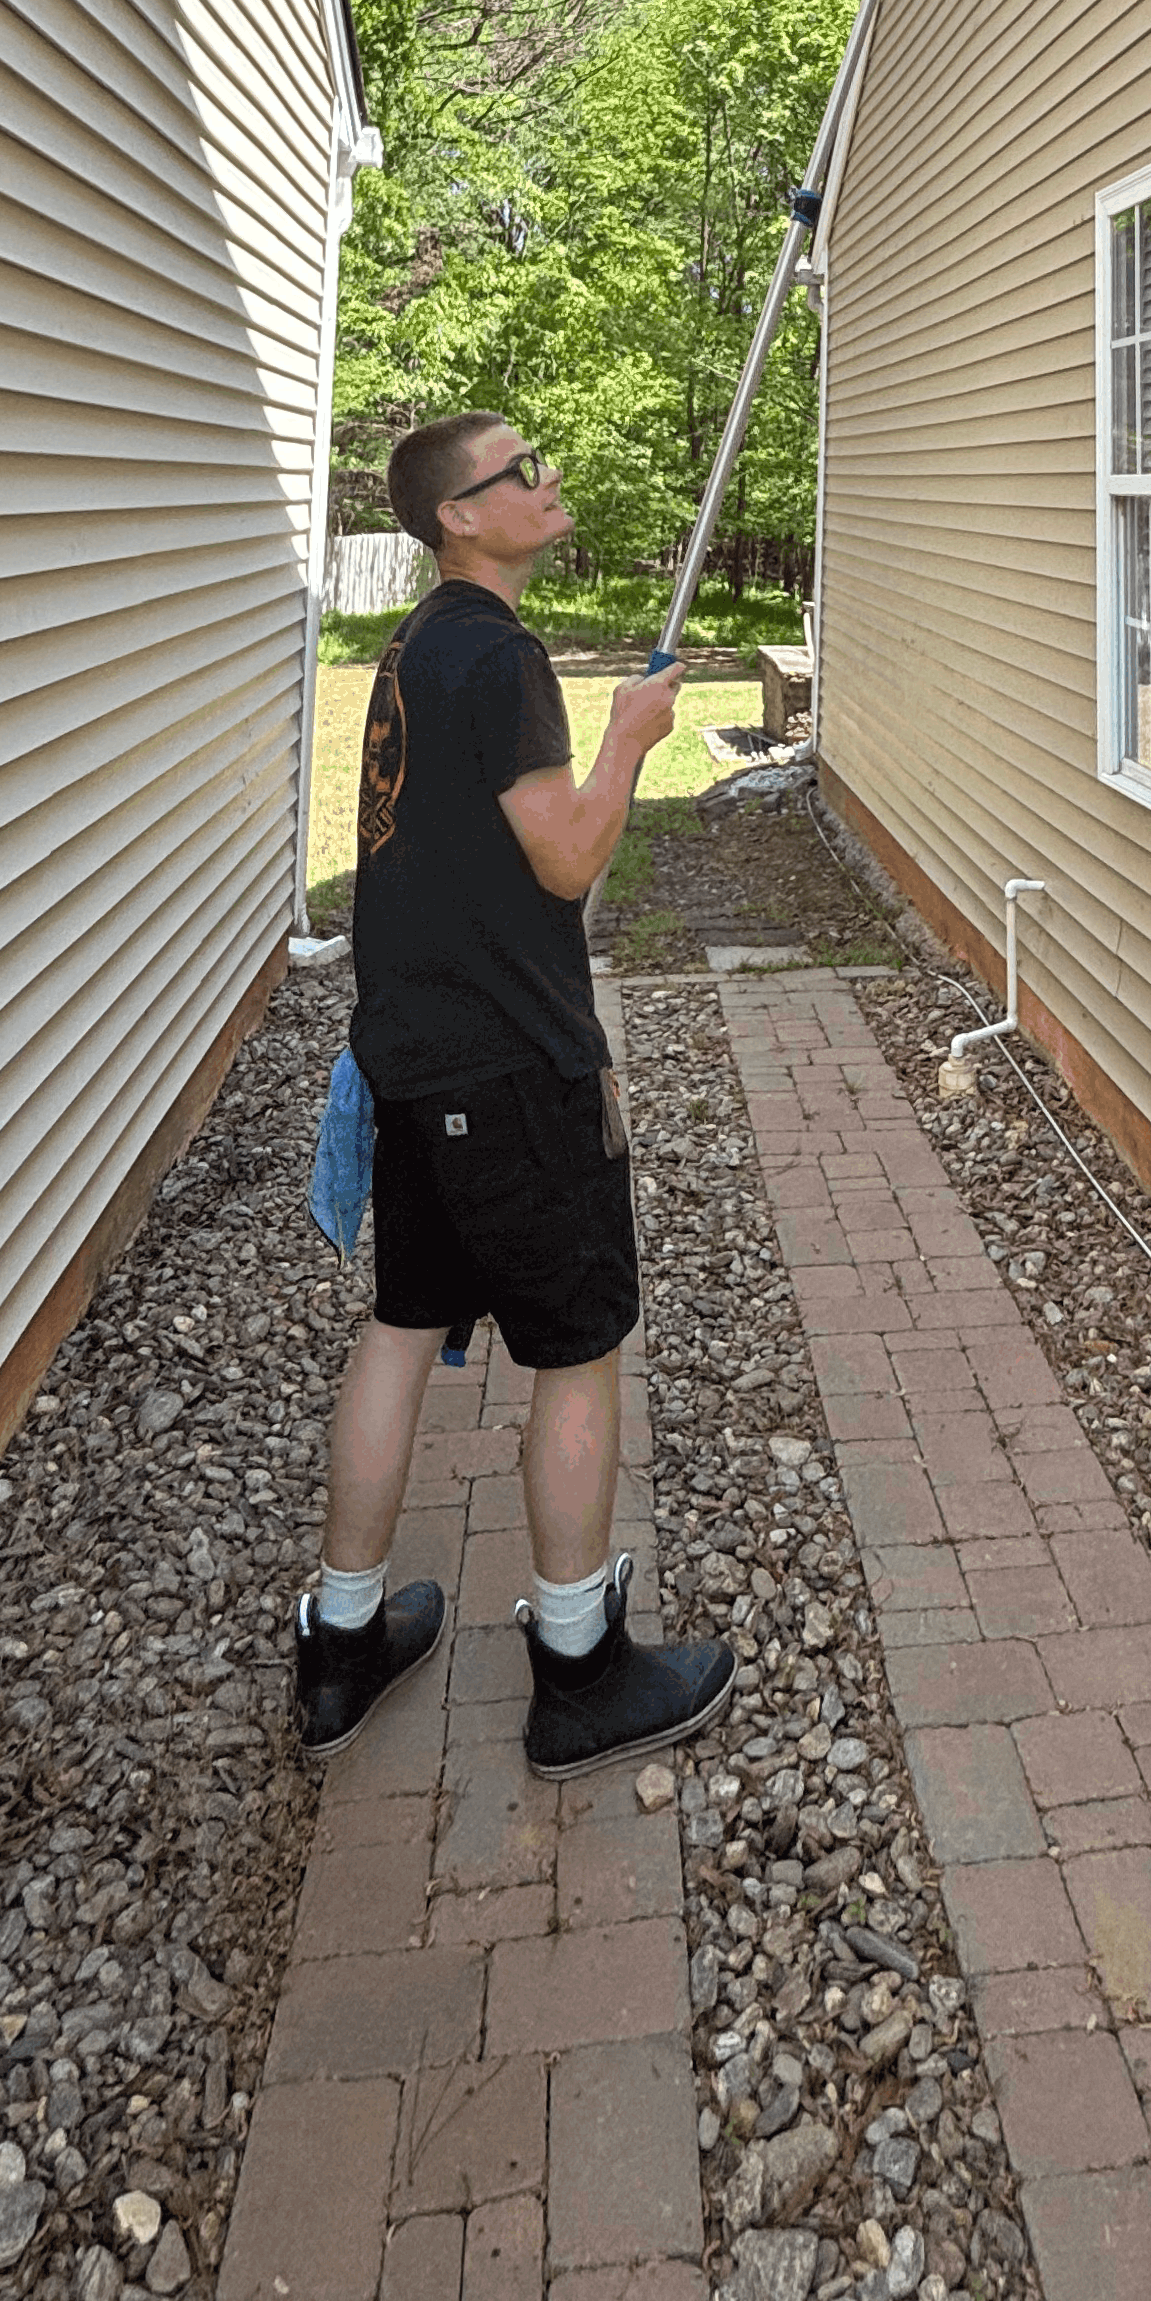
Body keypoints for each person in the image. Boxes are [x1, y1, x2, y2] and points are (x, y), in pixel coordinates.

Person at [292, 412, 737, 1779]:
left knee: (405, 1323)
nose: (549, 478)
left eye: (544, 455)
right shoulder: (500, 656)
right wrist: (633, 739)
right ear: (460, 520)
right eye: (520, 470)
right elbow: (568, 858)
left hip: (408, 1057)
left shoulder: (416, 653)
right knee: (578, 1347)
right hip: (511, 1068)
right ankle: (579, 1671)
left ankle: (345, 1637)